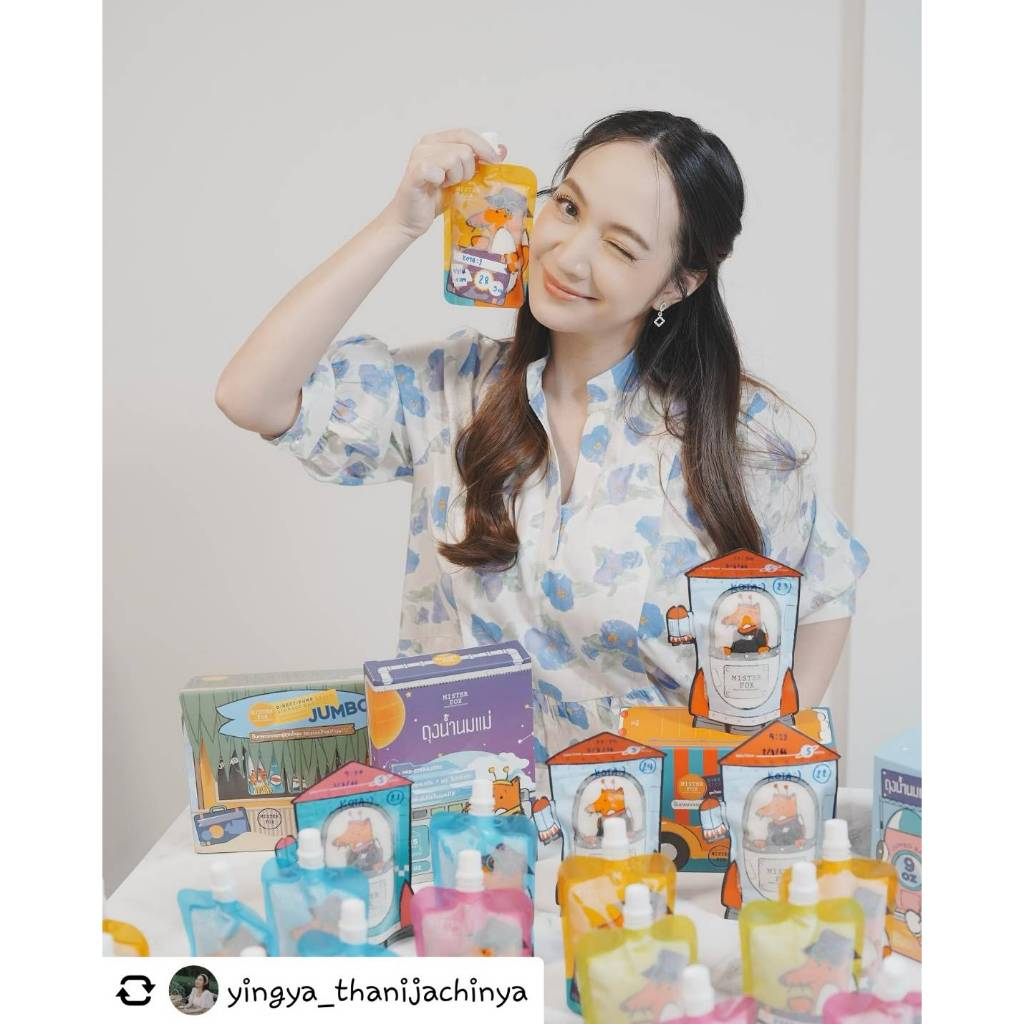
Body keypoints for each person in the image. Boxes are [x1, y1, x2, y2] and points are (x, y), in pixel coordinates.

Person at [215, 112, 868, 754]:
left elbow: (824, 591)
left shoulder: (741, 433)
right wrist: (401, 223)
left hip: (654, 817)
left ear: (677, 284)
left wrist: (766, 761)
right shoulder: (452, 388)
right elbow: (250, 395)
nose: (570, 256)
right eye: (569, 208)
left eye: (620, 247)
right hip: (464, 808)